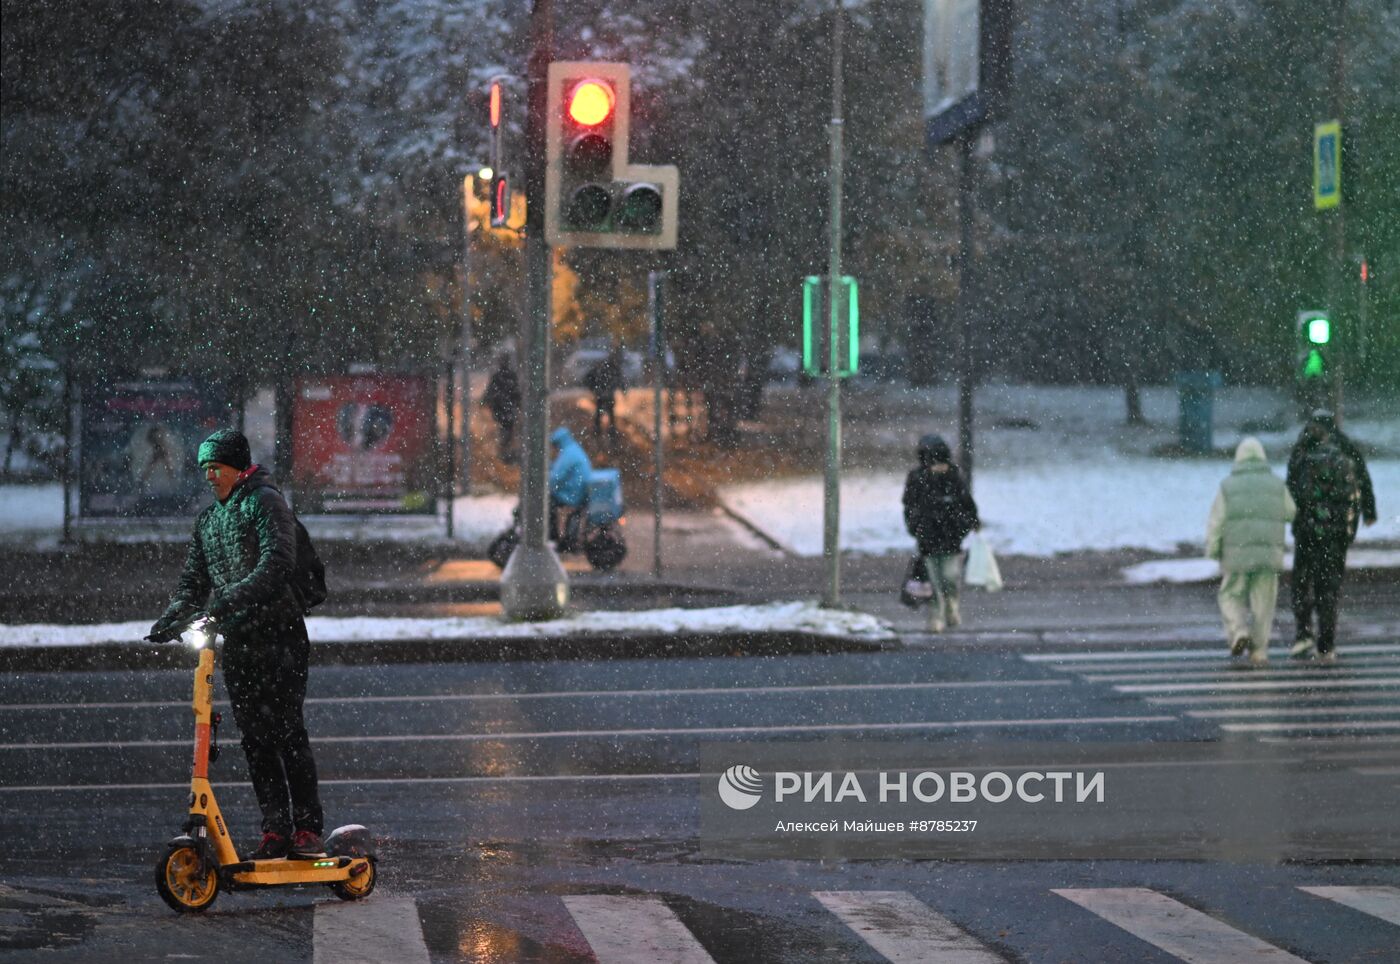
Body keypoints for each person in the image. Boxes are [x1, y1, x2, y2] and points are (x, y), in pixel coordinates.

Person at [147, 429, 325, 859]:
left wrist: (225, 604)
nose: (209, 476)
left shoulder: (266, 502)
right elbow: (194, 581)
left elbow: (278, 562)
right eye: (205, 469)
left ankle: (307, 830)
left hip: (279, 635)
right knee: (255, 737)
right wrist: (171, 620)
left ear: (237, 467)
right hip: (241, 641)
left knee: (286, 731)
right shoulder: (209, 521)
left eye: (216, 468)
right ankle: (275, 829)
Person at [1285, 410, 1377, 663]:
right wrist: (1369, 511)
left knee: (1302, 583)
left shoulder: (1302, 449)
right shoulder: (1345, 447)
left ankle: (1303, 634)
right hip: (1336, 534)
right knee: (1329, 586)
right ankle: (1326, 644)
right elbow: (1362, 479)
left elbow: (1291, 486)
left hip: (1306, 530)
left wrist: (1293, 517)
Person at [1205, 437, 1295, 664]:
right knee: (1263, 604)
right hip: (1268, 555)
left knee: (1230, 595)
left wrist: (1214, 549)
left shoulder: (1228, 486)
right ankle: (1259, 651)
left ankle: (1238, 631)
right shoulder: (1276, 484)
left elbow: (1217, 521)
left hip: (1237, 555)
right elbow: (1291, 512)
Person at [902, 434, 979, 632]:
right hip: (929, 537)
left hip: (950, 537)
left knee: (949, 578)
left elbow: (966, 503)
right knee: (934, 580)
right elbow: (909, 505)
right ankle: (937, 616)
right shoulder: (918, 479)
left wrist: (967, 523)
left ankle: (951, 608)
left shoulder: (953, 477)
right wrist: (915, 526)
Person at [548, 426, 592, 549]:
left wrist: (543, 483)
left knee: (547, 502)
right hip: (580, 490)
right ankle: (562, 538)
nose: (554, 449)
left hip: (573, 493)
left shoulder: (567, 454)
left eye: (555, 445)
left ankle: (551, 537)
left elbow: (556, 477)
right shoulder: (574, 450)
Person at [482, 355, 521, 462]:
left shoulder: (498, 376)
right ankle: (505, 452)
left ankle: (504, 452)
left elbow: (491, 392)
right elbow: (516, 392)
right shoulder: (510, 376)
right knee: (507, 430)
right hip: (507, 409)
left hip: (501, 409)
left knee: (504, 430)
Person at [584, 349, 624, 440]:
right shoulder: (613, 369)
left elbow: (588, 378)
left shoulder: (601, 367)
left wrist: (594, 389)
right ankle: (609, 435)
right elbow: (620, 380)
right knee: (608, 416)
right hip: (606, 396)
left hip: (601, 396)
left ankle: (599, 433)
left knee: (600, 415)